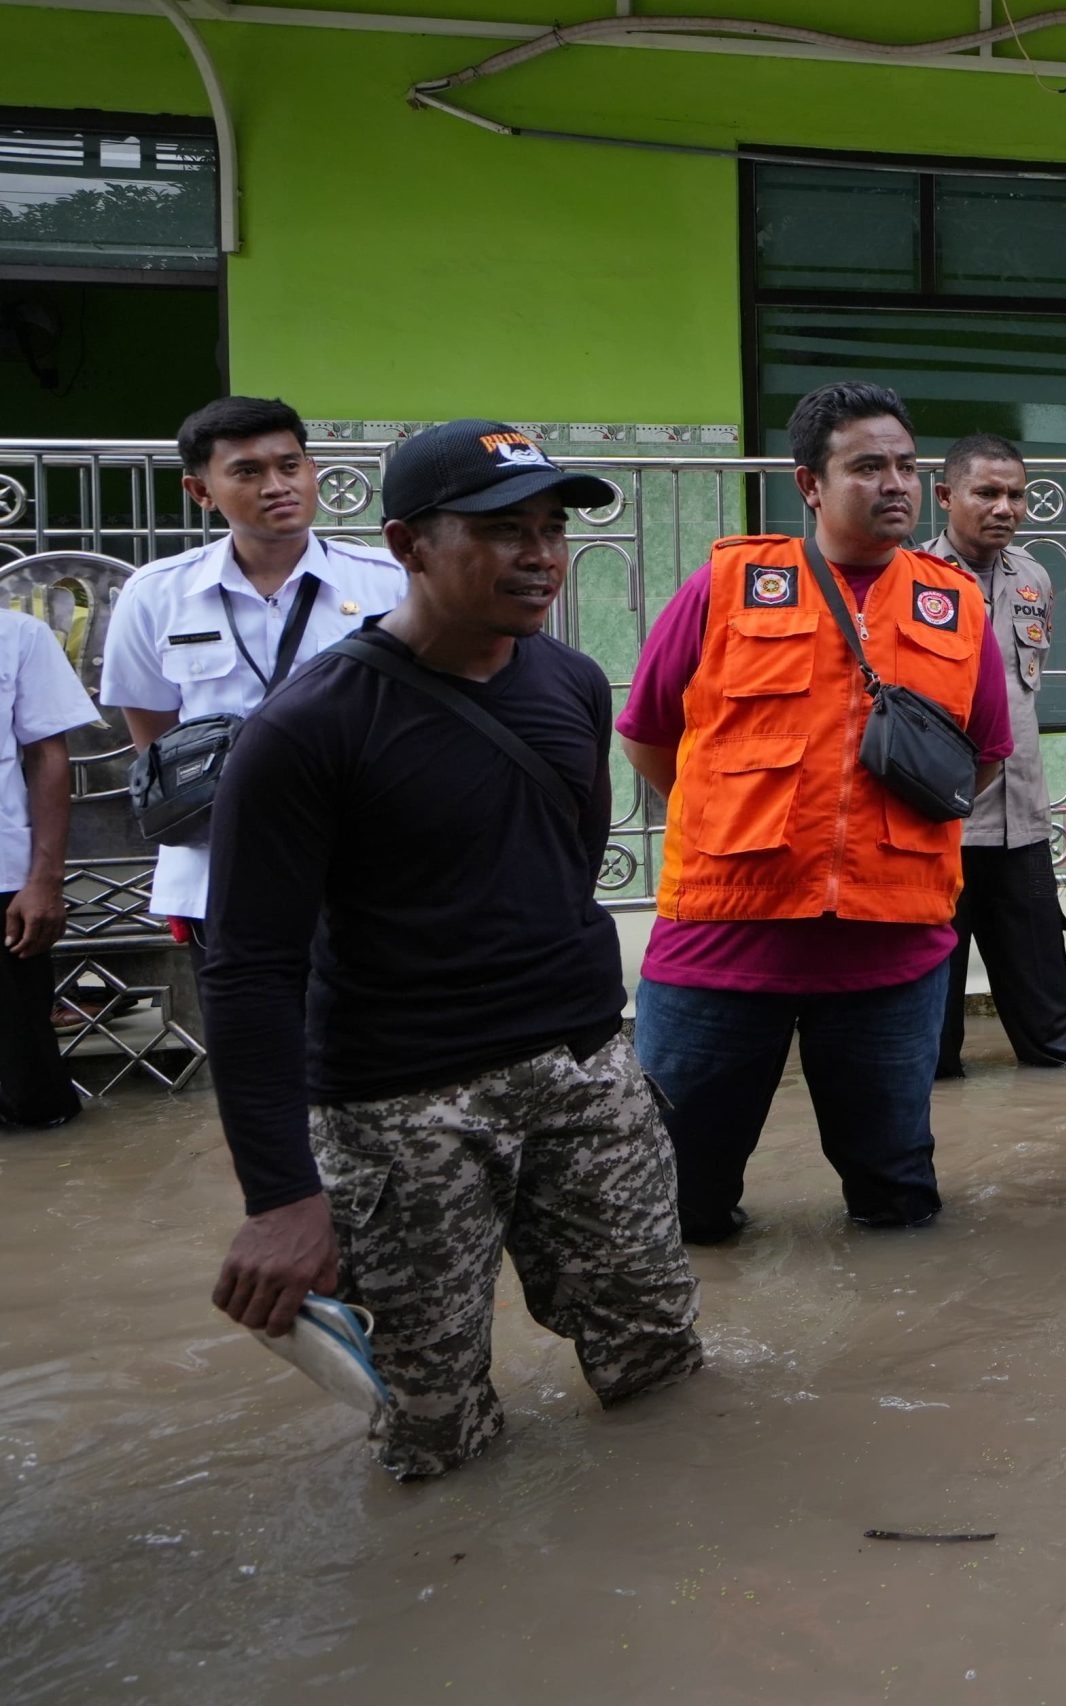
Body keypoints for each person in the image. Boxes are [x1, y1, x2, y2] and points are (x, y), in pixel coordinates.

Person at [202, 418, 701, 1480]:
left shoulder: (570, 684)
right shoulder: (307, 728)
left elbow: (564, 870)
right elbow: (249, 971)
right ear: (407, 544)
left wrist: (603, 1064)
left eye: (550, 529)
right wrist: (281, 1195)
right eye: (501, 530)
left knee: (660, 1365)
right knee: (434, 1430)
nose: (539, 556)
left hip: (581, 1079)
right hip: (401, 1110)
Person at [620, 382, 1010, 1245]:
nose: (896, 484)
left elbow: (983, 756)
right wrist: (730, 824)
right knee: (677, 1210)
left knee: (897, 1204)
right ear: (809, 483)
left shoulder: (957, 605)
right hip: (720, 946)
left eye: (907, 466)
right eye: (868, 466)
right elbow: (651, 733)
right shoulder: (727, 585)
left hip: (891, 951)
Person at [100, 396, 406, 954]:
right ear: (202, 492)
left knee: (366, 1038)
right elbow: (156, 741)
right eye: (247, 471)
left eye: (289, 465)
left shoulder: (389, 585)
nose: (276, 485)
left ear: (312, 472)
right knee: (249, 1036)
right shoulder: (157, 595)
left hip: (365, 872)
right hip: (220, 874)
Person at [924, 433, 1066, 1078]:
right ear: (945, 497)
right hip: (938, 826)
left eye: (1016, 495)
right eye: (986, 493)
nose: (1005, 508)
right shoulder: (910, 583)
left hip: (1020, 822)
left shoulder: (1035, 579)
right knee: (932, 1033)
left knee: (1051, 1026)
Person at [0, 607, 102, 1129]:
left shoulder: (17, 636)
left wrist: (44, 880)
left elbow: (47, 756)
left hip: (3, 881)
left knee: (25, 1085)